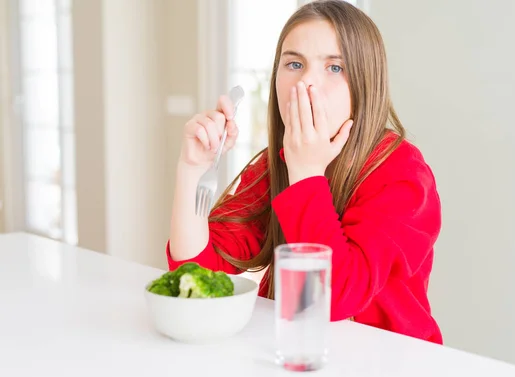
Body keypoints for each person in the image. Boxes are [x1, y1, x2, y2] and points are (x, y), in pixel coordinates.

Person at [167, 0, 443, 344]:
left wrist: (307, 172)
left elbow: (334, 298)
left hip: (389, 369)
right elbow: (197, 275)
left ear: (365, 83)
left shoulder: (403, 174)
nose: (306, 83)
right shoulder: (278, 162)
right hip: (298, 355)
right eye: (294, 64)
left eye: (334, 68)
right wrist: (191, 170)